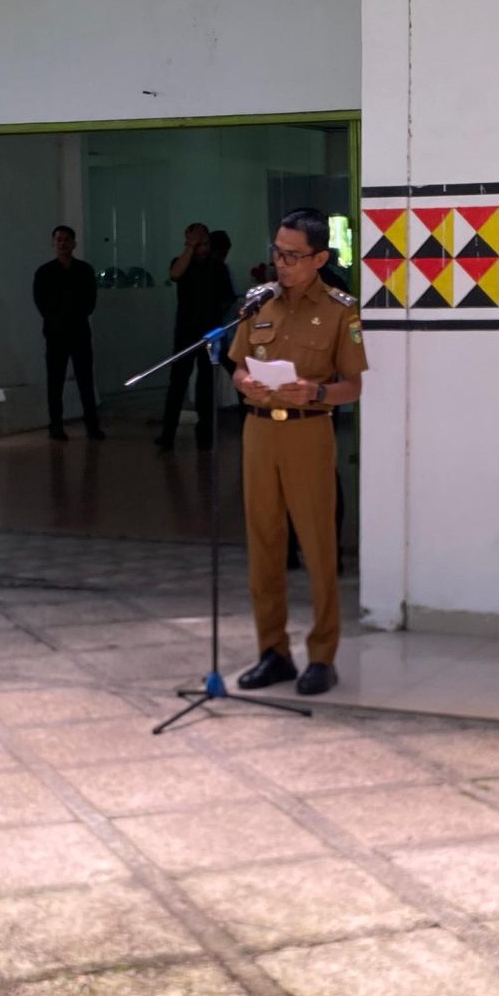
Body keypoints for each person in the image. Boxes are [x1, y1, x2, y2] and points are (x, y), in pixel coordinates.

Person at [229, 209, 366, 699]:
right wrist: (244, 381)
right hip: (258, 432)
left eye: (292, 256)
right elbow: (237, 367)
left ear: (320, 258)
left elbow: (353, 386)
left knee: (318, 546)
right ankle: (274, 653)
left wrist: (318, 392)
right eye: (277, 252)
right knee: (264, 546)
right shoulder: (258, 303)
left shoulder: (340, 310)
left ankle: (322, 656)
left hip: (309, 433)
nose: (281, 263)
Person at [156, 221, 237, 451]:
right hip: (185, 331)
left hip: (210, 331)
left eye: (205, 243)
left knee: (206, 384)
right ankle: (167, 435)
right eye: (197, 243)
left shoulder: (218, 267)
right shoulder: (181, 261)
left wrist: (215, 316)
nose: (202, 247)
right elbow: (175, 274)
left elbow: (228, 297)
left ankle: (205, 434)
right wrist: (189, 248)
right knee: (178, 382)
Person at [32, 224, 103, 442]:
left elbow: (90, 301)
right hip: (55, 333)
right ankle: (56, 425)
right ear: (53, 244)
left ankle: (92, 425)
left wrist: (74, 314)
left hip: (79, 331)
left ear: (74, 243)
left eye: (66, 239)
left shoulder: (84, 270)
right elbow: (40, 302)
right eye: (58, 239)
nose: (62, 243)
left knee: (85, 379)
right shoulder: (44, 272)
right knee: (55, 381)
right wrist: (56, 318)